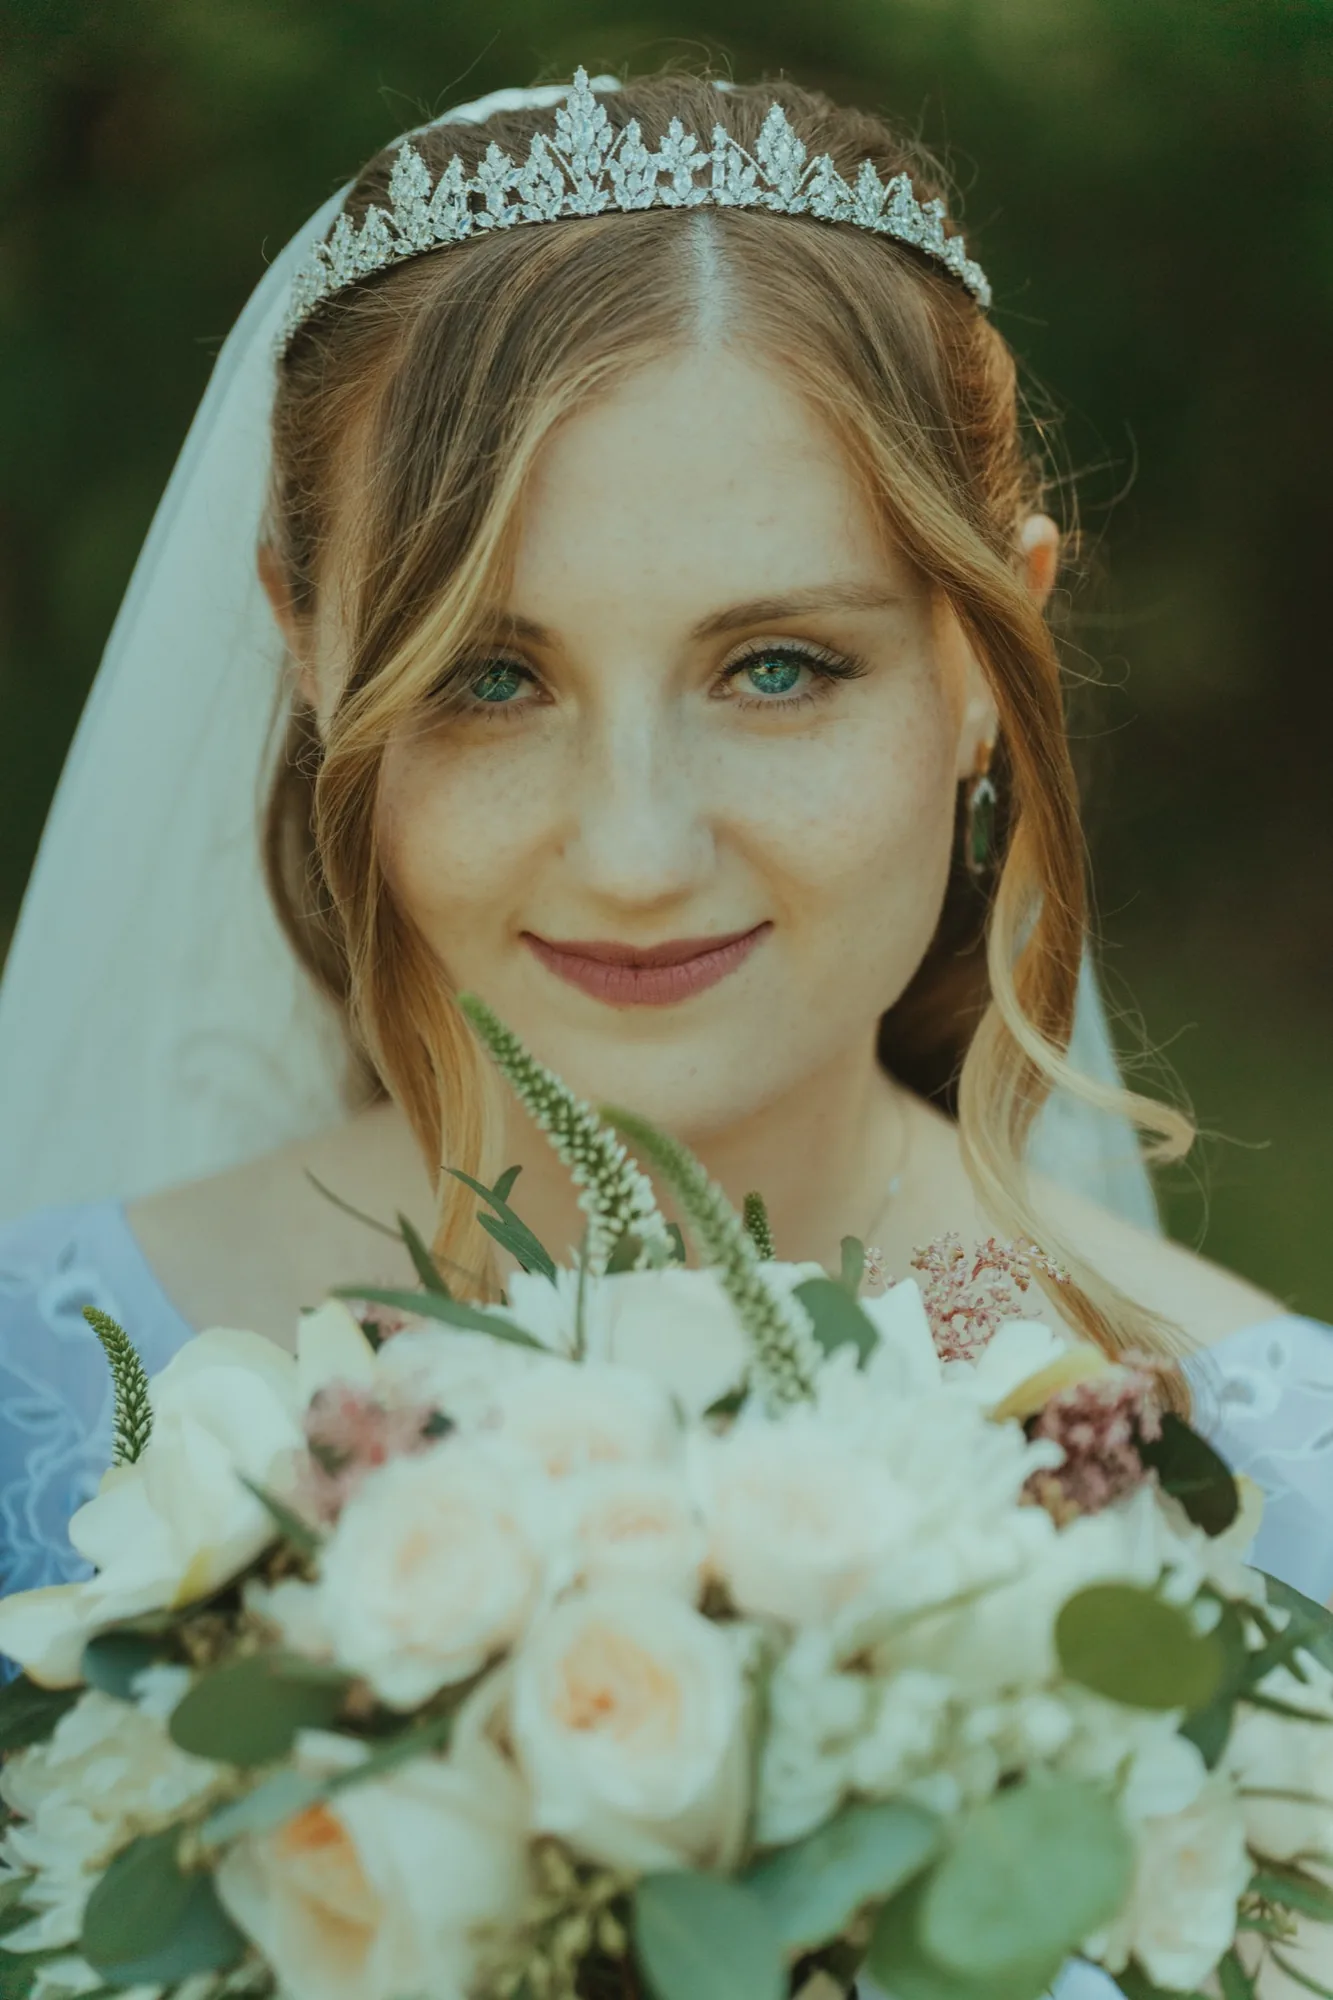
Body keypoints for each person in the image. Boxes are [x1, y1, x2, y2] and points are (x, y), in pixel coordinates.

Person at [0, 65, 1328, 1995]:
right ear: (306, 648)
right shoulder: (42, 1429)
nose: (633, 849)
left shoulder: (1287, 1495)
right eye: (489, 674)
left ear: (986, 664)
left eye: (778, 667)